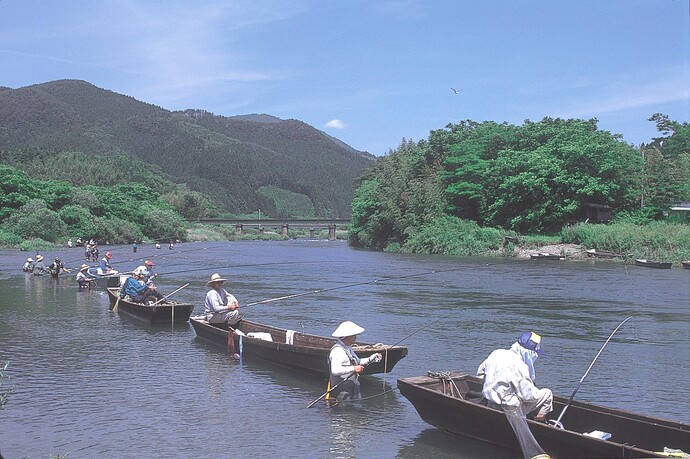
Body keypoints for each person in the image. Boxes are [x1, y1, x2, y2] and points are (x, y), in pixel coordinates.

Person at [476, 332, 553, 422]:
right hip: (509, 409)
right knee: (547, 394)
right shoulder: (521, 366)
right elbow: (529, 396)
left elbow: (479, 376)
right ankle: (539, 422)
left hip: (490, 402)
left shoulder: (496, 353)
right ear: (529, 353)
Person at [327, 321, 382, 401]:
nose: (356, 337)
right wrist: (354, 368)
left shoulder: (348, 348)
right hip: (341, 391)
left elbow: (357, 362)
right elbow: (335, 370)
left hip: (352, 387)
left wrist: (371, 358)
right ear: (348, 336)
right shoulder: (338, 351)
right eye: (354, 335)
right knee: (344, 412)